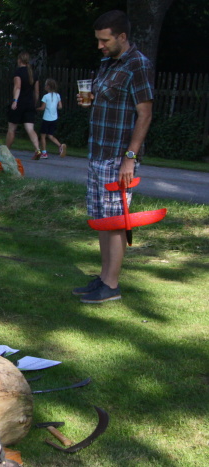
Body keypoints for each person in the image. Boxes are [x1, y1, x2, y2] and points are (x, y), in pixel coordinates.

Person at [73, 10, 153, 304]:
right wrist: (89, 101)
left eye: (104, 40)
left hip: (118, 158)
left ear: (122, 36)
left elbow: (145, 114)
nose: (100, 46)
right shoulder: (107, 63)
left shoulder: (138, 65)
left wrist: (130, 157)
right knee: (101, 220)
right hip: (97, 151)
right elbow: (106, 99)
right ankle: (103, 277)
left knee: (116, 220)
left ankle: (112, 285)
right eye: (98, 40)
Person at [5, 51, 42, 159]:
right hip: (30, 104)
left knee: (12, 129)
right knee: (30, 129)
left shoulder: (18, 72)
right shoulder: (34, 74)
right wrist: (34, 103)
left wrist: (15, 101)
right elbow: (37, 92)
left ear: (19, 60)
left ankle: (6, 152)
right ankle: (37, 150)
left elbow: (18, 87)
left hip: (19, 104)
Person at [37, 78, 67, 159]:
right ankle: (60, 146)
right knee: (50, 135)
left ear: (48, 86)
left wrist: (36, 109)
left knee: (43, 136)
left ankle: (44, 153)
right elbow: (60, 106)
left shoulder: (45, 96)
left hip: (46, 118)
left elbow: (42, 108)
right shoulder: (57, 95)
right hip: (54, 118)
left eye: (45, 85)